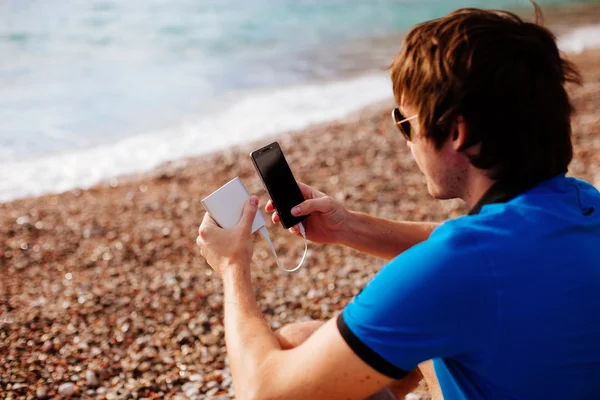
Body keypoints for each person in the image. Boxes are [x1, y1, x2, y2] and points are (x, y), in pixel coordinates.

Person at [196, 4, 600, 400]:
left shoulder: (453, 270)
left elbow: (262, 390)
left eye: (404, 123)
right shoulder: (584, 203)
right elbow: (481, 249)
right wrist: (347, 226)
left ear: (456, 132)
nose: (405, 140)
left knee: (287, 350)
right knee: (309, 338)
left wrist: (233, 266)